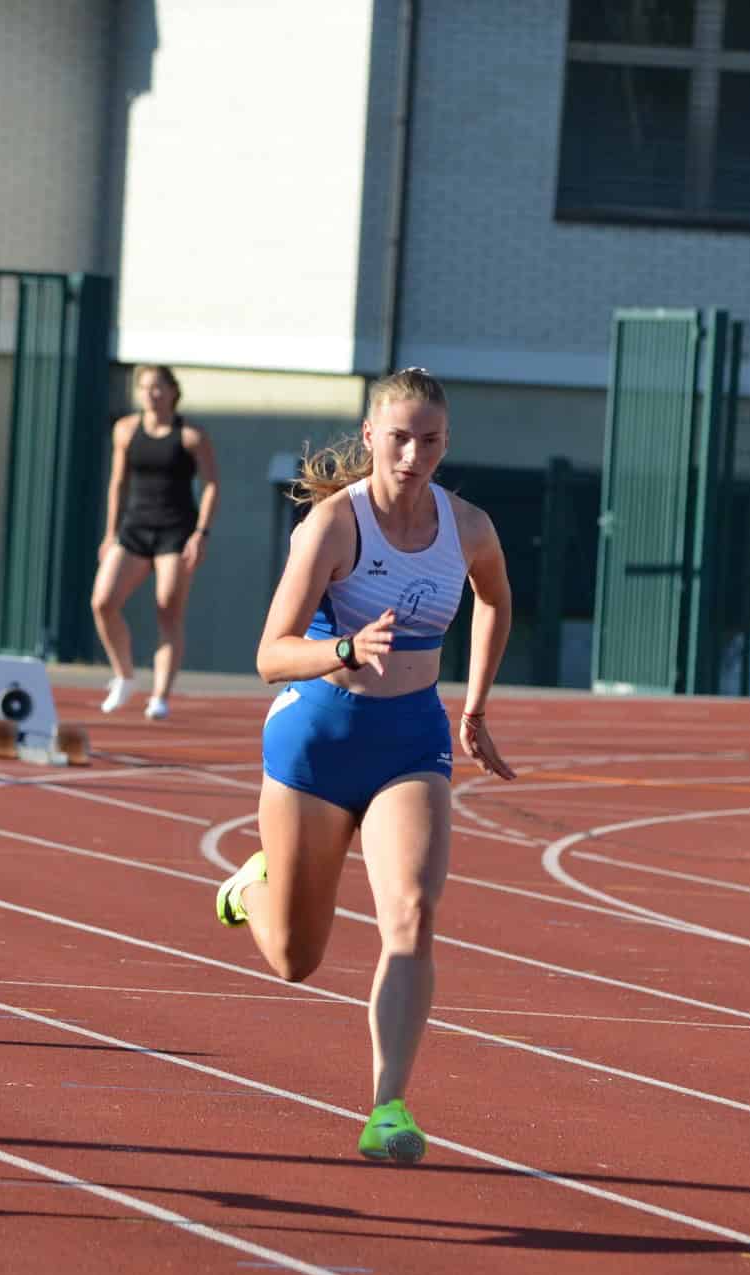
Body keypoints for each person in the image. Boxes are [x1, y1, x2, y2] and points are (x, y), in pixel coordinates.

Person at [210, 367, 516, 1165]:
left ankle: (389, 1107)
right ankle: (253, 886)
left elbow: (495, 599)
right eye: (401, 438)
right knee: (294, 961)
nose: (414, 455)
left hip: (411, 740)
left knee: (412, 911)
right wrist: (344, 648)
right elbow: (270, 654)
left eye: (431, 441)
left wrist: (475, 706)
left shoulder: (469, 527)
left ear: (447, 445)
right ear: (372, 437)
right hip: (319, 739)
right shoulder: (332, 526)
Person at [90, 365, 219, 720]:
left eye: (158, 387)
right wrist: (109, 533)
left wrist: (200, 533)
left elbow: (210, 485)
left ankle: (160, 695)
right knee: (103, 601)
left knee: (167, 607)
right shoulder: (126, 431)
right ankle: (124, 675)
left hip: (175, 531)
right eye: (145, 387)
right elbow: (118, 483)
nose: (152, 394)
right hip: (134, 528)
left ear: (173, 392)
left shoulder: (191, 435)